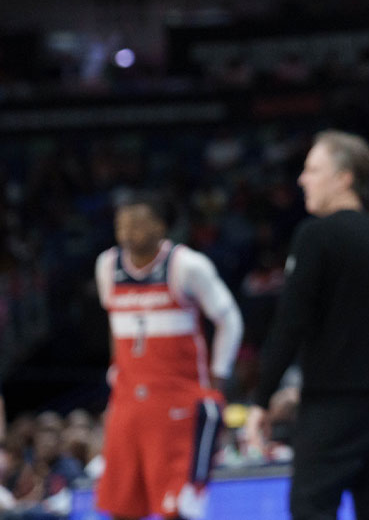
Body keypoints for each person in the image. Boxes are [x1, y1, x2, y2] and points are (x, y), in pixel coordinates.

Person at [242, 130, 369, 520]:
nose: (303, 179)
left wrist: (261, 398)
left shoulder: (316, 236)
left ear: (344, 178)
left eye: (313, 169)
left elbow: (290, 322)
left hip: (335, 403)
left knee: (311, 508)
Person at [95, 191, 241, 520]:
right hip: (128, 402)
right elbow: (114, 322)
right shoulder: (107, 265)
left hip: (179, 402)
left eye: (137, 223)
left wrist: (218, 373)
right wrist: (116, 366)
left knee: (179, 509)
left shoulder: (186, 265)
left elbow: (230, 319)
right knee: (121, 507)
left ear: (161, 227)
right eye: (121, 223)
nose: (127, 231)